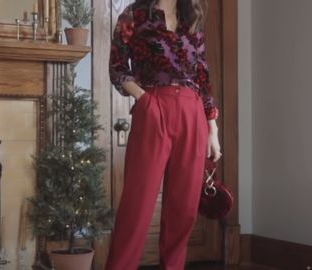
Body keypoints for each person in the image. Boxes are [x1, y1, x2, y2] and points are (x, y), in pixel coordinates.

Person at [105, 0, 221, 269]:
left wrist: (212, 129)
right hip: (153, 109)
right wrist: (145, 101)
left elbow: (202, 75)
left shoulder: (191, 16)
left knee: (184, 210)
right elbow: (117, 67)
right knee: (137, 204)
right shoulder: (133, 14)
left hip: (193, 113)